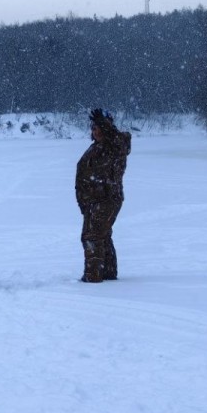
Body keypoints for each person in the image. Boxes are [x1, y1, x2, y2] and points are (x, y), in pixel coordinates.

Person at [75, 109, 131, 283]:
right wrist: (83, 202)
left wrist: (105, 124)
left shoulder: (115, 146)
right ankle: (107, 272)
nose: (96, 132)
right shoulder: (97, 147)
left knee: (92, 236)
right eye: (93, 128)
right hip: (93, 201)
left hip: (106, 199)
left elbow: (116, 139)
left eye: (99, 128)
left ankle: (93, 277)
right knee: (102, 235)